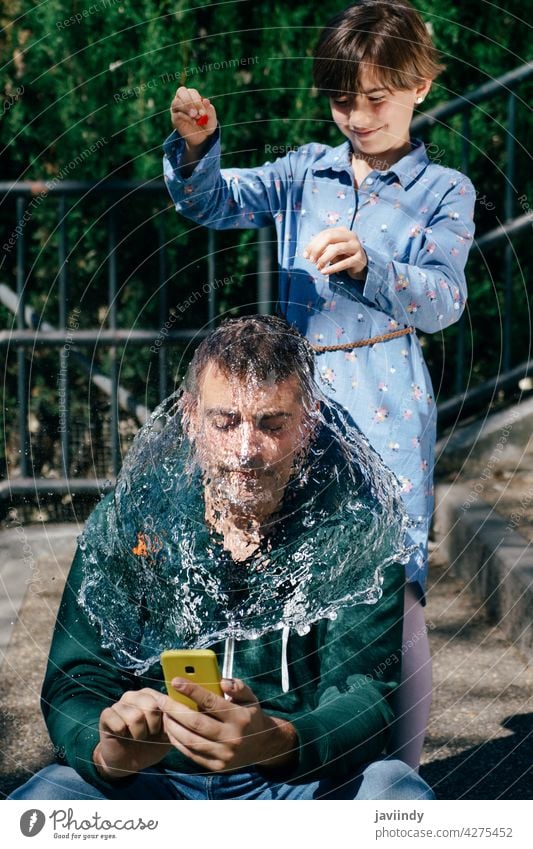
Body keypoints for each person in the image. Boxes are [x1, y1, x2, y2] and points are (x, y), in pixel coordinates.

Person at [162, 0, 476, 768]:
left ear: (420, 86)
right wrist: (197, 147)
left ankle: (394, 771)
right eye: (343, 99)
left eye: (376, 98)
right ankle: (301, 757)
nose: (359, 116)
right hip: (293, 406)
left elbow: (443, 301)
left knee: (392, 584)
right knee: (287, 565)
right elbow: (212, 202)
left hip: (390, 404)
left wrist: (373, 266)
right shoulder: (304, 170)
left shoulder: (445, 190)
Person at [9, 315, 433, 801]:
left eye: (272, 424)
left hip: (295, 785)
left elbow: (367, 693)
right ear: (191, 416)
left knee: (395, 795)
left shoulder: (355, 527)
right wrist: (107, 752)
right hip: (151, 781)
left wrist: (276, 739)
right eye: (225, 422)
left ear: (309, 422)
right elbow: (76, 677)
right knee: (44, 804)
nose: (246, 451)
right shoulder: (134, 519)